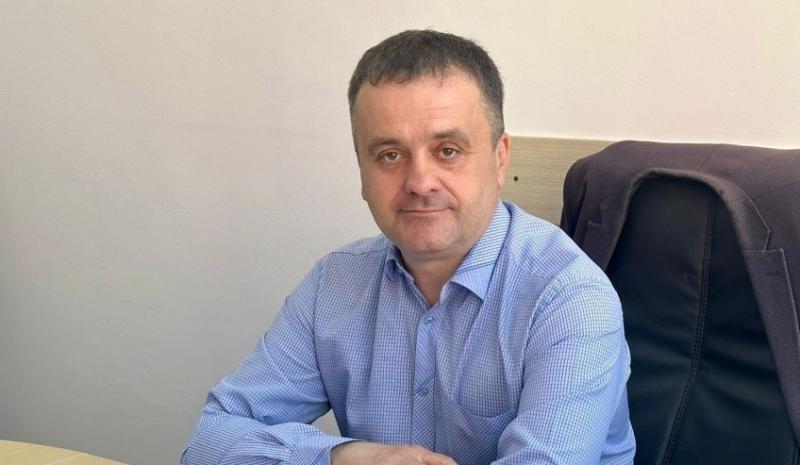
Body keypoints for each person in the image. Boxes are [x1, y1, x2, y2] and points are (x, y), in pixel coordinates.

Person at [182, 30, 635, 465]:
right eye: (390, 155)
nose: (419, 182)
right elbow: (209, 441)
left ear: (500, 159)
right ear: (362, 172)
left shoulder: (568, 298)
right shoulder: (333, 285)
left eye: (448, 150)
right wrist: (338, 457)